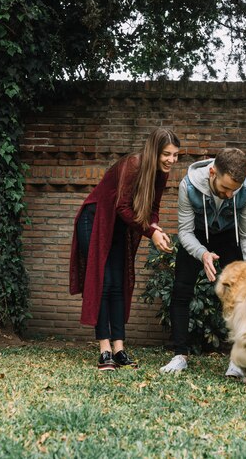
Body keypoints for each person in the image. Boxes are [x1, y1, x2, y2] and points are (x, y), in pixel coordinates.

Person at [70, 128, 180, 371]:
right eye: (167, 154)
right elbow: (121, 205)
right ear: (154, 151)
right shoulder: (133, 165)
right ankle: (104, 350)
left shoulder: (160, 173)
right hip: (96, 218)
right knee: (105, 281)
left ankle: (119, 350)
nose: (172, 160)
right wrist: (150, 232)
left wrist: (155, 227)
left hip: (120, 224)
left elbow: (153, 208)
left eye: (175, 155)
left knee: (119, 283)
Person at [160, 147, 246, 376]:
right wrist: (202, 253)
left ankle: (238, 360)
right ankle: (180, 355)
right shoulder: (189, 186)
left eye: (234, 190)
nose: (229, 195)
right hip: (196, 234)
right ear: (213, 173)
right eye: (225, 188)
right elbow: (184, 231)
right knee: (181, 291)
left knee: (240, 294)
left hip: (229, 236)